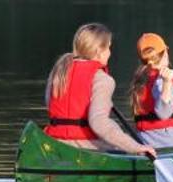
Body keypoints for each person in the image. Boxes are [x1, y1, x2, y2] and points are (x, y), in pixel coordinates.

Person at [43, 23, 155, 158]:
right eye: (108, 47)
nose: (110, 52)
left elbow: (50, 104)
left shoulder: (59, 71)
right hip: (84, 147)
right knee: (123, 148)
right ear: (98, 50)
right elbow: (99, 123)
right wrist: (136, 147)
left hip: (54, 142)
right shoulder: (103, 80)